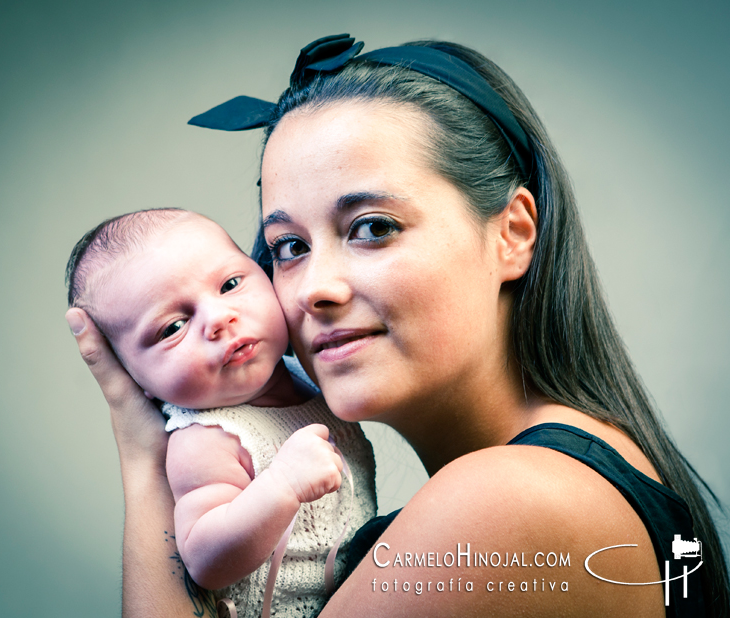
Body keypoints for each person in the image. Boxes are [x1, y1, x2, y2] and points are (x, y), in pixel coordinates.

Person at [65, 35, 730, 616]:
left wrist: (142, 452)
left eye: (373, 228)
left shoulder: (507, 503)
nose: (316, 288)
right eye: (289, 247)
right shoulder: (558, 470)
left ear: (513, 234)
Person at [64, 209, 376, 618]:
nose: (218, 319)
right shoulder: (206, 439)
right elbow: (206, 559)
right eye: (173, 327)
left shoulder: (310, 372)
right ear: (134, 378)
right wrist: (281, 484)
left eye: (230, 284)